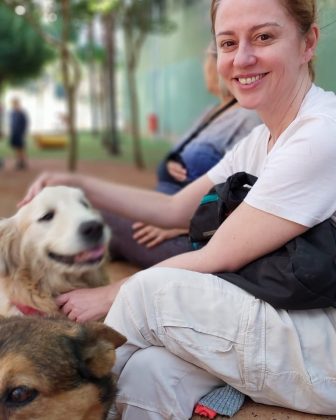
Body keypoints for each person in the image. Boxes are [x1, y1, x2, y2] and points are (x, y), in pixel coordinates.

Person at [21, 0, 336, 417]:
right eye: (228, 42)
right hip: (288, 316)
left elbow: (215, 256)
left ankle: (47, 383)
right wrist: (76, 182)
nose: (242, 58)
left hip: (323, 344)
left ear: (308, 42)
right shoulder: (261, 139)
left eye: (264, 37)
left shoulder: (322, 133)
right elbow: (172, 209)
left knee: (147, 291)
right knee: (150, 373)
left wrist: (111, 294)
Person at [106, 43, 260, 267]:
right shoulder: (211, 111)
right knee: (102, 216)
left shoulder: (248, 119)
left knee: (103, 219)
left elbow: (244, 199)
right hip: (162, 209)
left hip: (194, 234)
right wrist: (171, 161)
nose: (204, 71)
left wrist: (179, 226)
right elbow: (180, 150)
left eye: (205, 64)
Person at [9, 97, 28, 170]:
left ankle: (23, 162)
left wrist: (23, 132)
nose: (14, 105)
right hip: (14, 132)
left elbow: (25, 123)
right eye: (13, 104)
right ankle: (18, 161)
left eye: (15, 103)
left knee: (21, 148)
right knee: (16, 148)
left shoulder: (22, 113)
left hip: (20, 133)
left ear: (18, 104)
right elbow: (11, 123)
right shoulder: (12, 113)